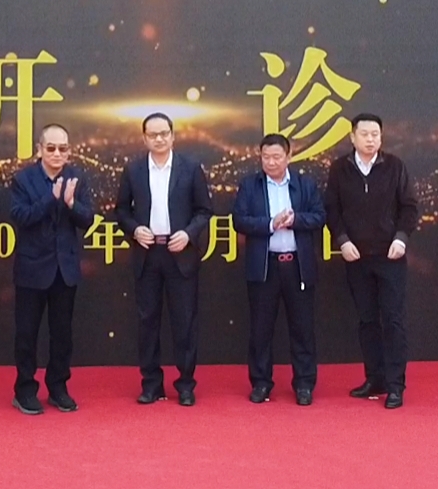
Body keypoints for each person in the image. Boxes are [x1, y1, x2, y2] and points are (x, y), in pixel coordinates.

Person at [113, 111, 212, 406]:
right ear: (144, 138)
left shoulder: (190, 168)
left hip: (180, 253)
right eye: (152, 135)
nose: (159, 139)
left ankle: (185, 385)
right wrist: (134, 229)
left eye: (164, 134)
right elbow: (121, 211)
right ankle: (151, 384)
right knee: (147, 321)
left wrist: (188, 234)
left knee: (185, 321)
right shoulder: (133, 170)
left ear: (173, 136)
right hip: (147, 254)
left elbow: (204, 210)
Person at [323, 112, 418, 409]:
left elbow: (409, 207)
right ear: (352, 137)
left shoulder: (394, 166)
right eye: (364, 134)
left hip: (390, 256)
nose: (370, 139)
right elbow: (332, 210)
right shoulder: (340, 169)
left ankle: (395, 385)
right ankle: (374, 378)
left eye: (375, 134)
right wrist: (342, 240)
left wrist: (401, 238)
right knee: (367, 320)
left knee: (393, 320)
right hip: (356, 257)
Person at [232, 133, 326, 406]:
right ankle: (261, 382)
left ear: (289, 156)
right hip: (265, 266)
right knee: (261, 329)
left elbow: (320, 216)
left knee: (302, 328)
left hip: (297, 265)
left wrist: (296, 220)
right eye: (266, 157)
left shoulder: (304, 185)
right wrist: (270, 224)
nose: (271, 162)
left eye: (276, 157)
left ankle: (304, 384)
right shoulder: (249, 185)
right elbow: (239, 220)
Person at [7, 123, 93, 415]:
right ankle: (25, 390)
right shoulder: (24, 179)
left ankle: (58, 387)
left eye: (63, 149)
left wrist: (70, 203)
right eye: (51, 148)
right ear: (39, 149)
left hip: (64, 269)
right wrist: (50, 199)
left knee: (62, 334)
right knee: (26, 334)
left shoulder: (77, 177)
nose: (57, 154)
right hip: (31, 270)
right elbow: (21, 216)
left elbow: (87, 218)